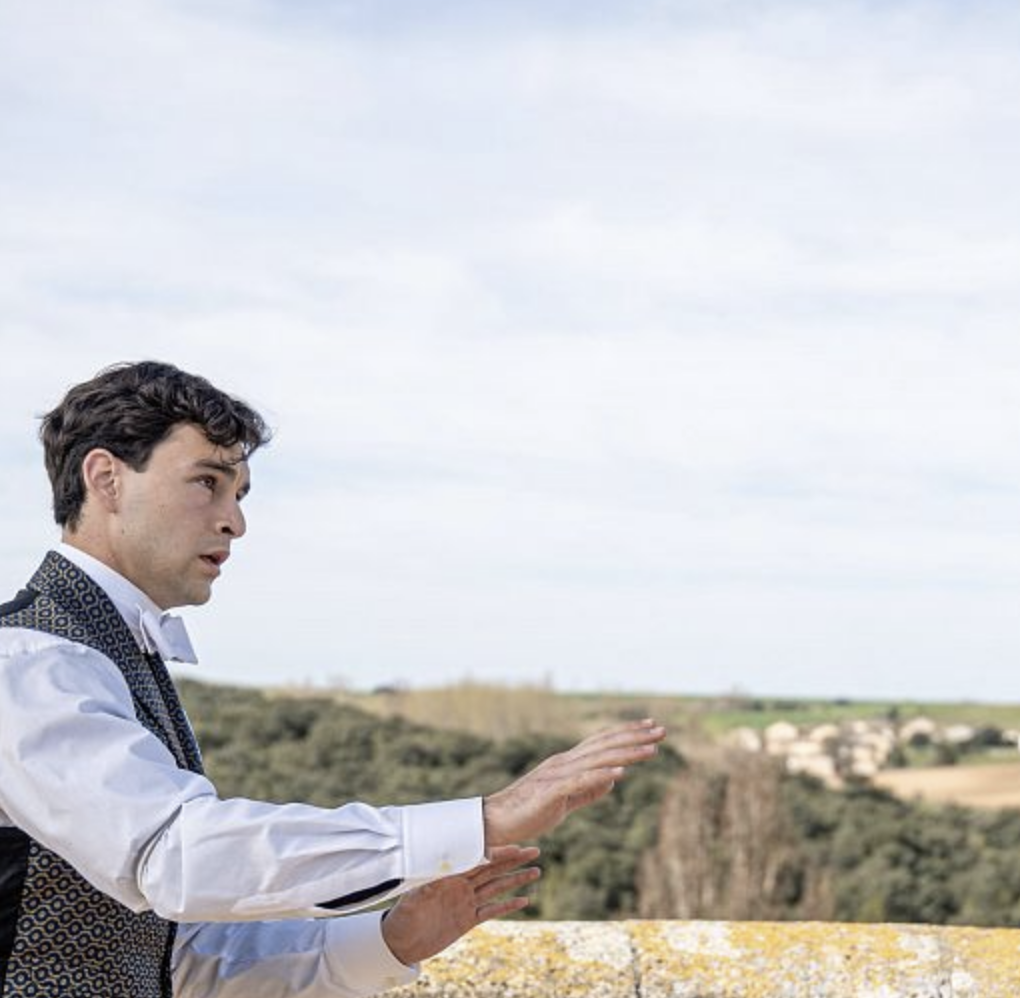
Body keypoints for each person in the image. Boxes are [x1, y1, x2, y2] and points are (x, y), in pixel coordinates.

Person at [0, 360, 667, 997]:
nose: (235, 521)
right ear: (106, 479)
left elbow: (172, 964)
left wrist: (390, 940)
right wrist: (481, 822)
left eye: (239, 494)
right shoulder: (26, 662)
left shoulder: (107, 656)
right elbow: (176, 856)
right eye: (207, 483)